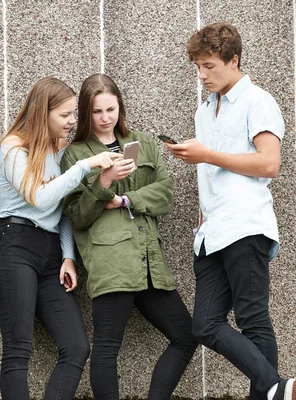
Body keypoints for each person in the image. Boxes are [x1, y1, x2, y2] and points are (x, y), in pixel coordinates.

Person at [167, 22, 294, 400]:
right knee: (204, 325)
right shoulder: (204, 111)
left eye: (209, 66)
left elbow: (270, 163)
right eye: (198, 68)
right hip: (211, 232)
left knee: (253, 320)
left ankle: (270, 392)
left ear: (233, 60)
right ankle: (277, 388)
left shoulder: (258, 101)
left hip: (246, 223)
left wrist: (206, 155)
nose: (202, 75)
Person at [61, 73, 198, 399]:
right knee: (107, 345)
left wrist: (124, 200)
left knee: (186, 336)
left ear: (121, 107)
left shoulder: (145, 143)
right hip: (112, 261)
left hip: (149, 261)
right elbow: (78, 216)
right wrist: (104, 181)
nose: (106, 118)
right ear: (86, 113)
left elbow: (164, 196)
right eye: (97, 112)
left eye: (112, 109)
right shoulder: (77, 155)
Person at [0, 76, 122, 400]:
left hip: (50, 256)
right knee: (18, 349)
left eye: (73, 113)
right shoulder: (13, 148)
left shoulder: (59, 151)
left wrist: (67, 257)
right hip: (14, 246)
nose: (72, 121)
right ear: (42, 113)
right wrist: (84, 167)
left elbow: (60, 211)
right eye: (64, 115)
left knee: (76, 347)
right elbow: (41, 199)